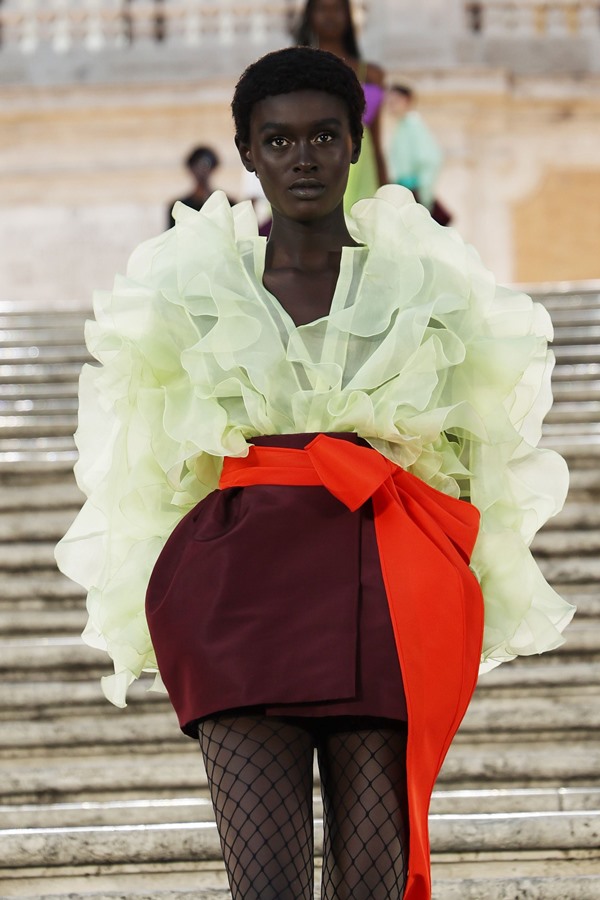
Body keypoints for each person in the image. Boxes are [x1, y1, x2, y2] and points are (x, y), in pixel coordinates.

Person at [55, 47, 574, 900]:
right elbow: (141, 458)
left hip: (384, 588)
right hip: (233, 593)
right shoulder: (194, 286)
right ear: (248, 152)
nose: (304, 158)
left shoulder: (421, 284)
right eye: (280, 140)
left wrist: (455, 570)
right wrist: (156, 595)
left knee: (368, 887)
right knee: (265, 888)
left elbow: (479, 446)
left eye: (324, 136)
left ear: (355, 147)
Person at [295, 0, 388, 212]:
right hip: (319, 164)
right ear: (310, 15)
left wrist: (387, 196)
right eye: (322, 9)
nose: (330, 16)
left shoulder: (372, 74)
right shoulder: (299, 69)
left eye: (337, 9)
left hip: (363, 169)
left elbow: (377, 142)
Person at [386, 84, 451, 225]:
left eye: (395, 100)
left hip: (413, 193)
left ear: (407, 100)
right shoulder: (402, 125)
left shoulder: (413, 124)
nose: (390, 104)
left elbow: (431, 159)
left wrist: (424, 196)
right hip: (404, 193)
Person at [166, 145, 222, 230]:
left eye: (206, 165)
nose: (202, 171)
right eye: (198, 165)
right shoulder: (179, 207)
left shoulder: (225, 204)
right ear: (191, 169)